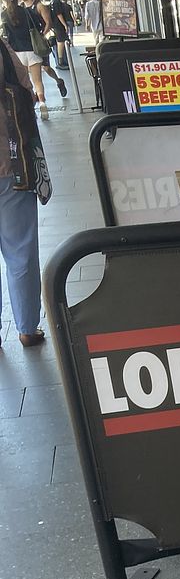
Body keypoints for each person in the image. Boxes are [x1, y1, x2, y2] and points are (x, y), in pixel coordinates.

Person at [0, 35, 49, 347]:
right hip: (10, 164)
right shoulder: (1, 47)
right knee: (20, 249)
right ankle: (27, 327)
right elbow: (25, 90)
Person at [2, 0, 65, 121]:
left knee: (25, 83)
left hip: (17, 55)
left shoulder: (4, 15)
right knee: (38, 81)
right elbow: (37, 26)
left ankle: (30, 109)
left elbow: (5, 36)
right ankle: (42, 103)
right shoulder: (26, 12)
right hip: (32, 50)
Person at [48, 0, 73, 69]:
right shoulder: (56, 1)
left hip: (55, 25)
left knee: (60, 42)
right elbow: (59, 14)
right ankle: (61, 62)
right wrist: (64, 24)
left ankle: (61, 61)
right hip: (59, 25)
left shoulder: (52, 1)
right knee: (61, 42)